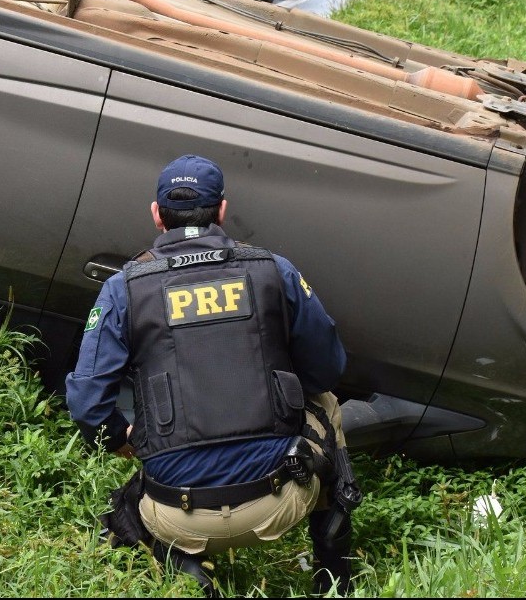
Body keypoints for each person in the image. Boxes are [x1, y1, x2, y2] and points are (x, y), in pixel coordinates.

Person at [65, 154, 360, 597]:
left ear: (155, 214)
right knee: (328, 405)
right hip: (280, 502)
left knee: (133, 501)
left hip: (175, 514)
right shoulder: (273, 270)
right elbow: (327, 369)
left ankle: (182, 565)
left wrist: (123, 435)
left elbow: (87, 404)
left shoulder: (124, 287)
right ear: (221, 210)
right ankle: (335, 575)